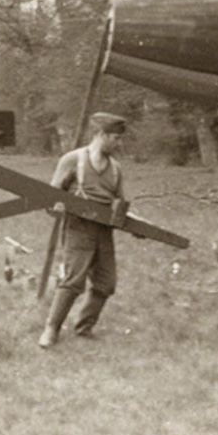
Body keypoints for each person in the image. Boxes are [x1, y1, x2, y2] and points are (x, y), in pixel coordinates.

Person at [38, 112, 128, 349]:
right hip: (78, 227)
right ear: (100, 135)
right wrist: (55, 207)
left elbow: (120, 203)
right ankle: (51, 330)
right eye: (115, 138)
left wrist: (132, 222)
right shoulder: (73, 160)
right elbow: (51, 196)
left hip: (103, 231)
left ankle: (84, 328)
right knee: (73, 280)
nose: (119, 144)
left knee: (106, 282)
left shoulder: (116, 169)